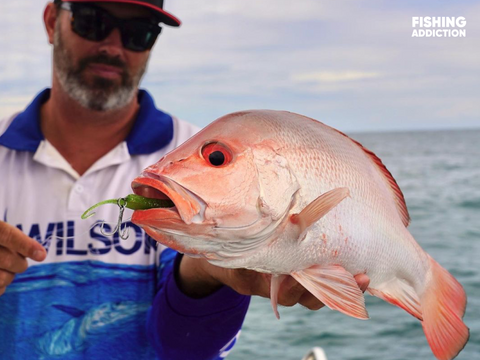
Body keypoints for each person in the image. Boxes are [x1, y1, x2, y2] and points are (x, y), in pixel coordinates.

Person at [0, 1, 370, 359]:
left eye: (138, 33)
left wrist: (207, 272)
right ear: (51, 21)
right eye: (91, 20)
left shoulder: (200, 160)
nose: (113, 46)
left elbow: (182, 350)